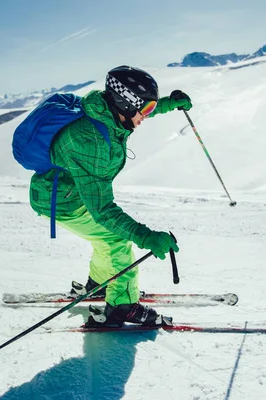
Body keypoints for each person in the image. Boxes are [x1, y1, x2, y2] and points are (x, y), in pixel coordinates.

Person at [28, 65, 192, 326]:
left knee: (106, 239)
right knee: (116, 239)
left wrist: (168, 104)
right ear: (125, 104)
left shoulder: (106, 113)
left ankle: (101, 284)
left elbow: (138, 112)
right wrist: (144, 235)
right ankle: (122, 307)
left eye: (151, 108)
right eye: (146, 109)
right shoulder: (89, 141)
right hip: (62, 200)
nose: (147, 116)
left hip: (69, 191)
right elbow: (102, 210)